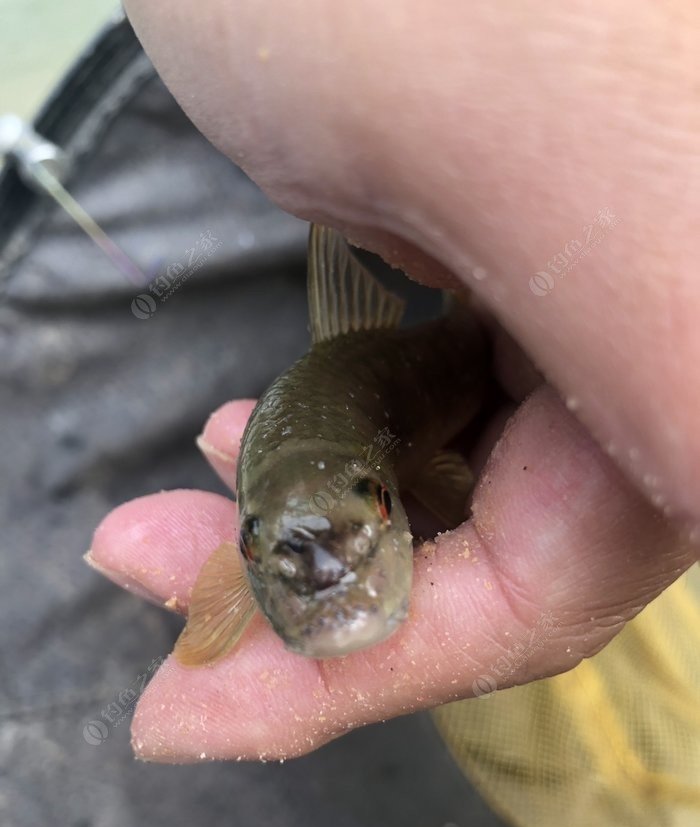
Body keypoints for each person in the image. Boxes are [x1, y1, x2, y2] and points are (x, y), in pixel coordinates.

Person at [86, 0, 699, 762]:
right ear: (247, 550)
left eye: (374, 507)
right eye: (262, 550)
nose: (340, 592)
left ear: (387, 495)